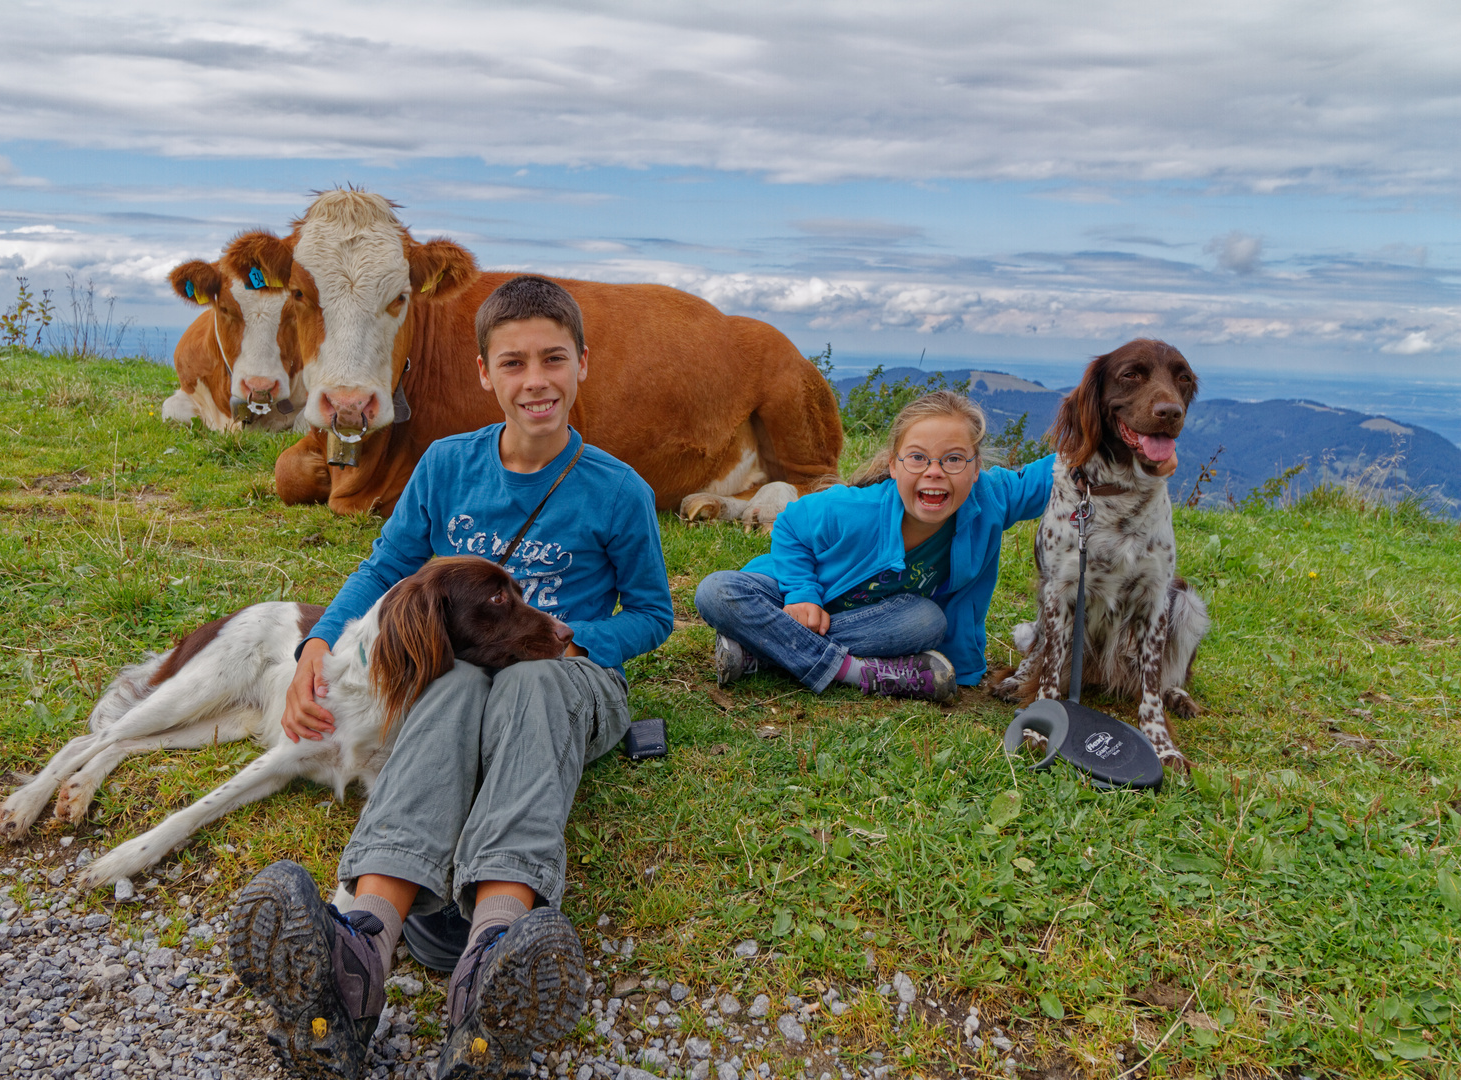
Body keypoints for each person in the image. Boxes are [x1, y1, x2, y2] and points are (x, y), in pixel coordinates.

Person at [229, 276, 674, 1080]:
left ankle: (493, 961)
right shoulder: (447, 465)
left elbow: (652, 613)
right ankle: (359, 952)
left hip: (569, 676)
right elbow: (389, 565)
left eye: (552, 360)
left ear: (582, 365)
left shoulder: (619, 490)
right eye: (513, 363)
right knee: (451, 685)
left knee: (532, 684)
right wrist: (317, 646)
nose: (534, 380)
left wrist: (577, 641)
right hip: (463, 670)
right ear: (484, 374)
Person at [695, 390, 1055, 699]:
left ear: (976, 470)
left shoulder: (992, 500)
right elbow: (790, 525)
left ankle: (764, 652)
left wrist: (1104, 423)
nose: (935, 471)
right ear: (893, 466)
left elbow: (1058, 470)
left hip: (874, 623)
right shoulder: (854, 509)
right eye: (917, 457)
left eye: (954, 459)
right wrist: (802, 593)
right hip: (790, 601)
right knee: (716, 590)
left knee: (928, 621)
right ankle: (856, 671)